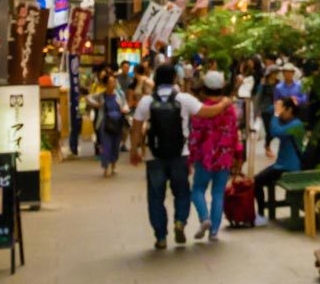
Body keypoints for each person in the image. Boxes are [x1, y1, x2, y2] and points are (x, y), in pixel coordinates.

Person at [129, 63, 232, 249]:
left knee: (155, 197)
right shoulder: (184, 99)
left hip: (154, 156)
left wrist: (134, 151)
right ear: (174, 79)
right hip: (180, 155)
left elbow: (135, 129)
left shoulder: (146, 101)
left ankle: (160, 236)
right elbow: (208, 112)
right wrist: (224, 103)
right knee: (182, 192)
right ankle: (180, 222)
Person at [188, 71, 242, 241]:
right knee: (218, 193)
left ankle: (205, 218)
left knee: (197, 190)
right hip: (224, 156)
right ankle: (214, 232)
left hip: (205, 156)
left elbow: (195, 135)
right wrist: (237, 155)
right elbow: (234, 133)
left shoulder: (202, 109)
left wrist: (190, 157)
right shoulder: (230, 109)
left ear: (205, 88)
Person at [252, 97, 306, 200]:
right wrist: (277, 106)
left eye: (282, 111)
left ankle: (261, 213)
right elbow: (269, 110)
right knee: (257, 181)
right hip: (281, 165)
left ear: (289, 110)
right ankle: (261, 211)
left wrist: (276, 114)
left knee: (257, 181)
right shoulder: (291, 122)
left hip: (288, 167)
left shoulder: (296, 125)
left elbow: (275, 132)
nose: (279, 114)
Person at [96, 74, 128, 177]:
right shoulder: (101, 95)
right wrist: (97, 105)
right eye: (110, 82)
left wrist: (125, 109)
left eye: (114, 82)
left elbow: (125, 104)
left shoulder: (120, 94)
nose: (113, 84)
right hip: (105, 123)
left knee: (115, 144)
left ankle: (113, 165)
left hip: (117, 122)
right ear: (105, 84)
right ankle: (105, 167)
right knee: (106, 145)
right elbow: (88, 98)